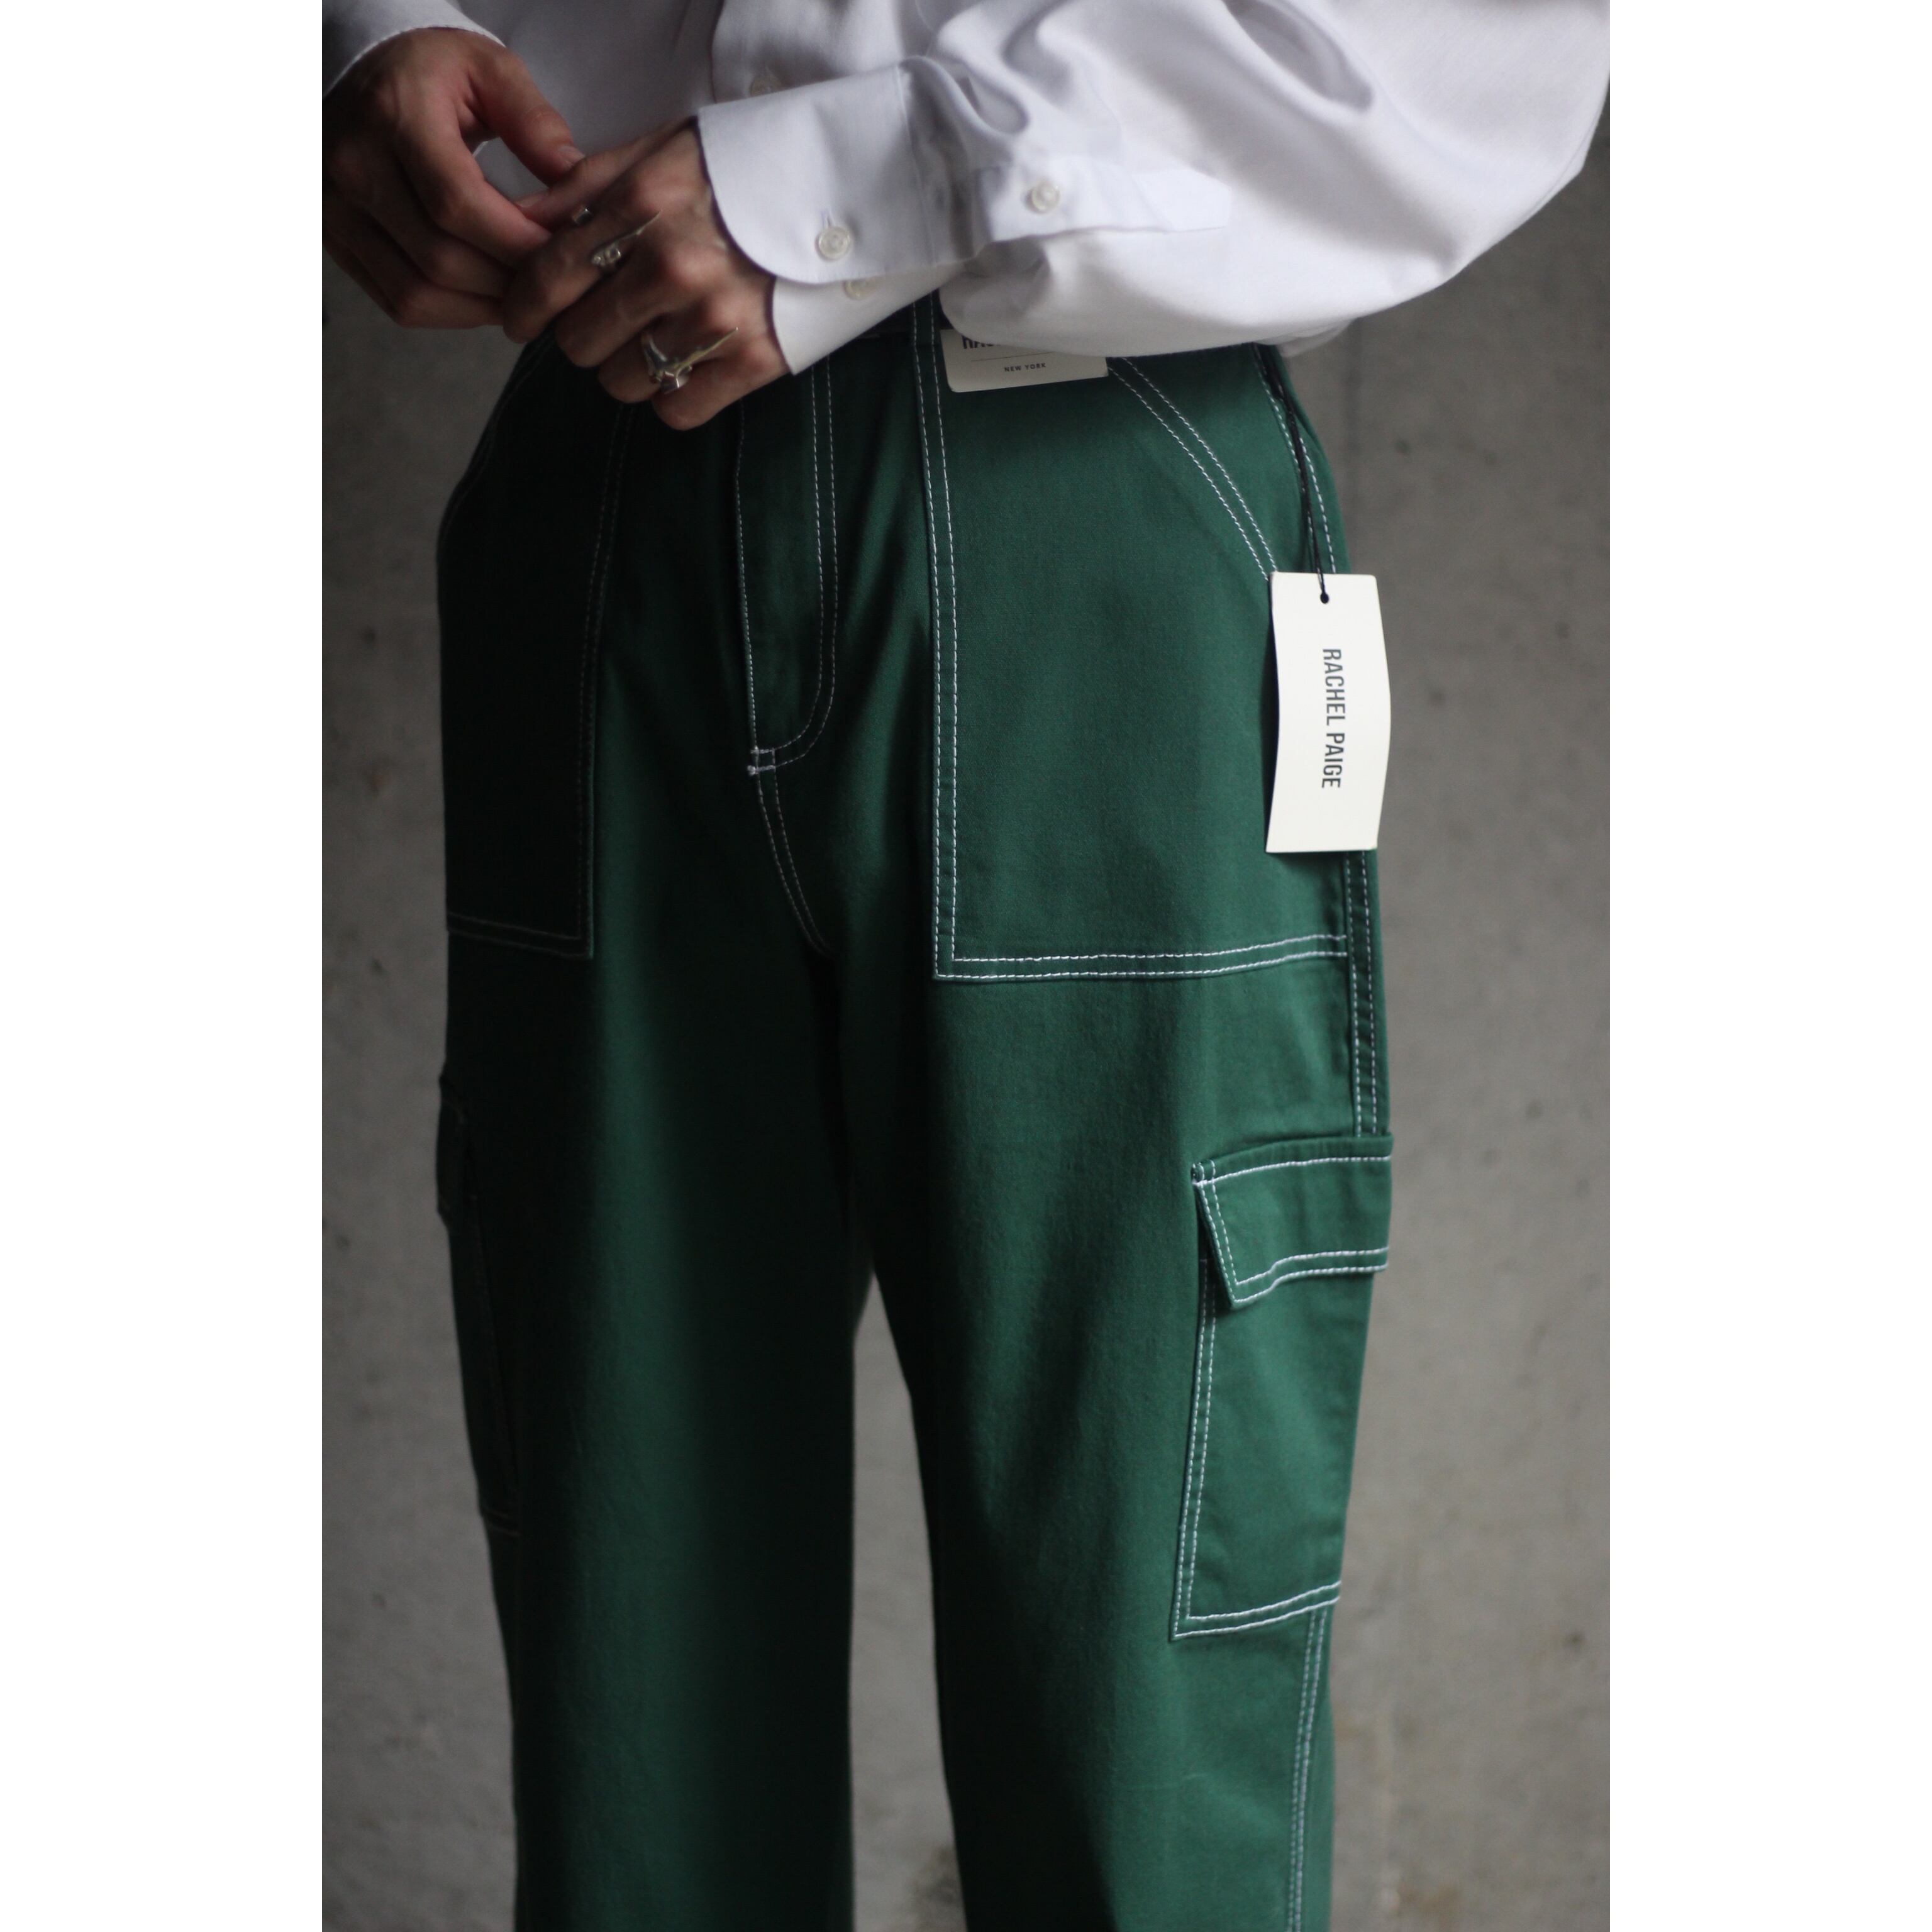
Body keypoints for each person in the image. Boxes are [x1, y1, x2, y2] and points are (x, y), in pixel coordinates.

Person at [322, 5, 1606, 1926]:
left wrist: (876, 179)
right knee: (632, 1728)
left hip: (1083, 470)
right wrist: (377, 32)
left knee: (1140, 1758)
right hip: (600, 456)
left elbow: (1490, 46)